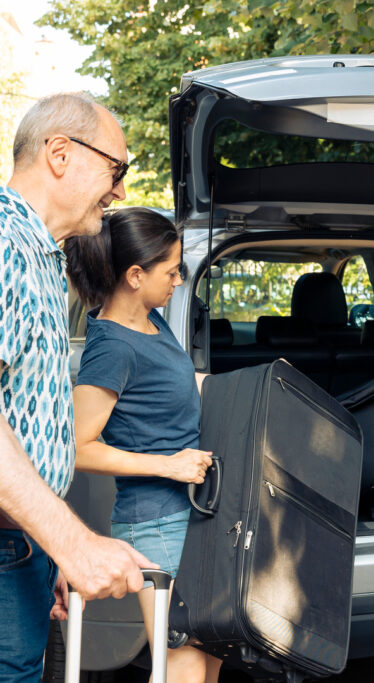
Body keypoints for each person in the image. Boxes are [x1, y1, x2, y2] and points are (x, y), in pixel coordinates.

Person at [1, 93, 155, 681]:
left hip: (21, 544)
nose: (120, 189)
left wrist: (46, 543)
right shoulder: (4, 245)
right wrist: (70, 541)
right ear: (60, 154)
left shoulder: (41, 255)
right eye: (116, 168)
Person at [64, 207, 222, 683]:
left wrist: (259, 389)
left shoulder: (153, 322)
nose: (178, 280)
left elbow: (181, 384)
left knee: (210, 653)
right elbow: (79, 447)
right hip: (155, 522)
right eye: (171, 271)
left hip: (192, 510)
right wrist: (167, 466)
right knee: (181, 664)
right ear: (135, 276)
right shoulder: (111, 347)